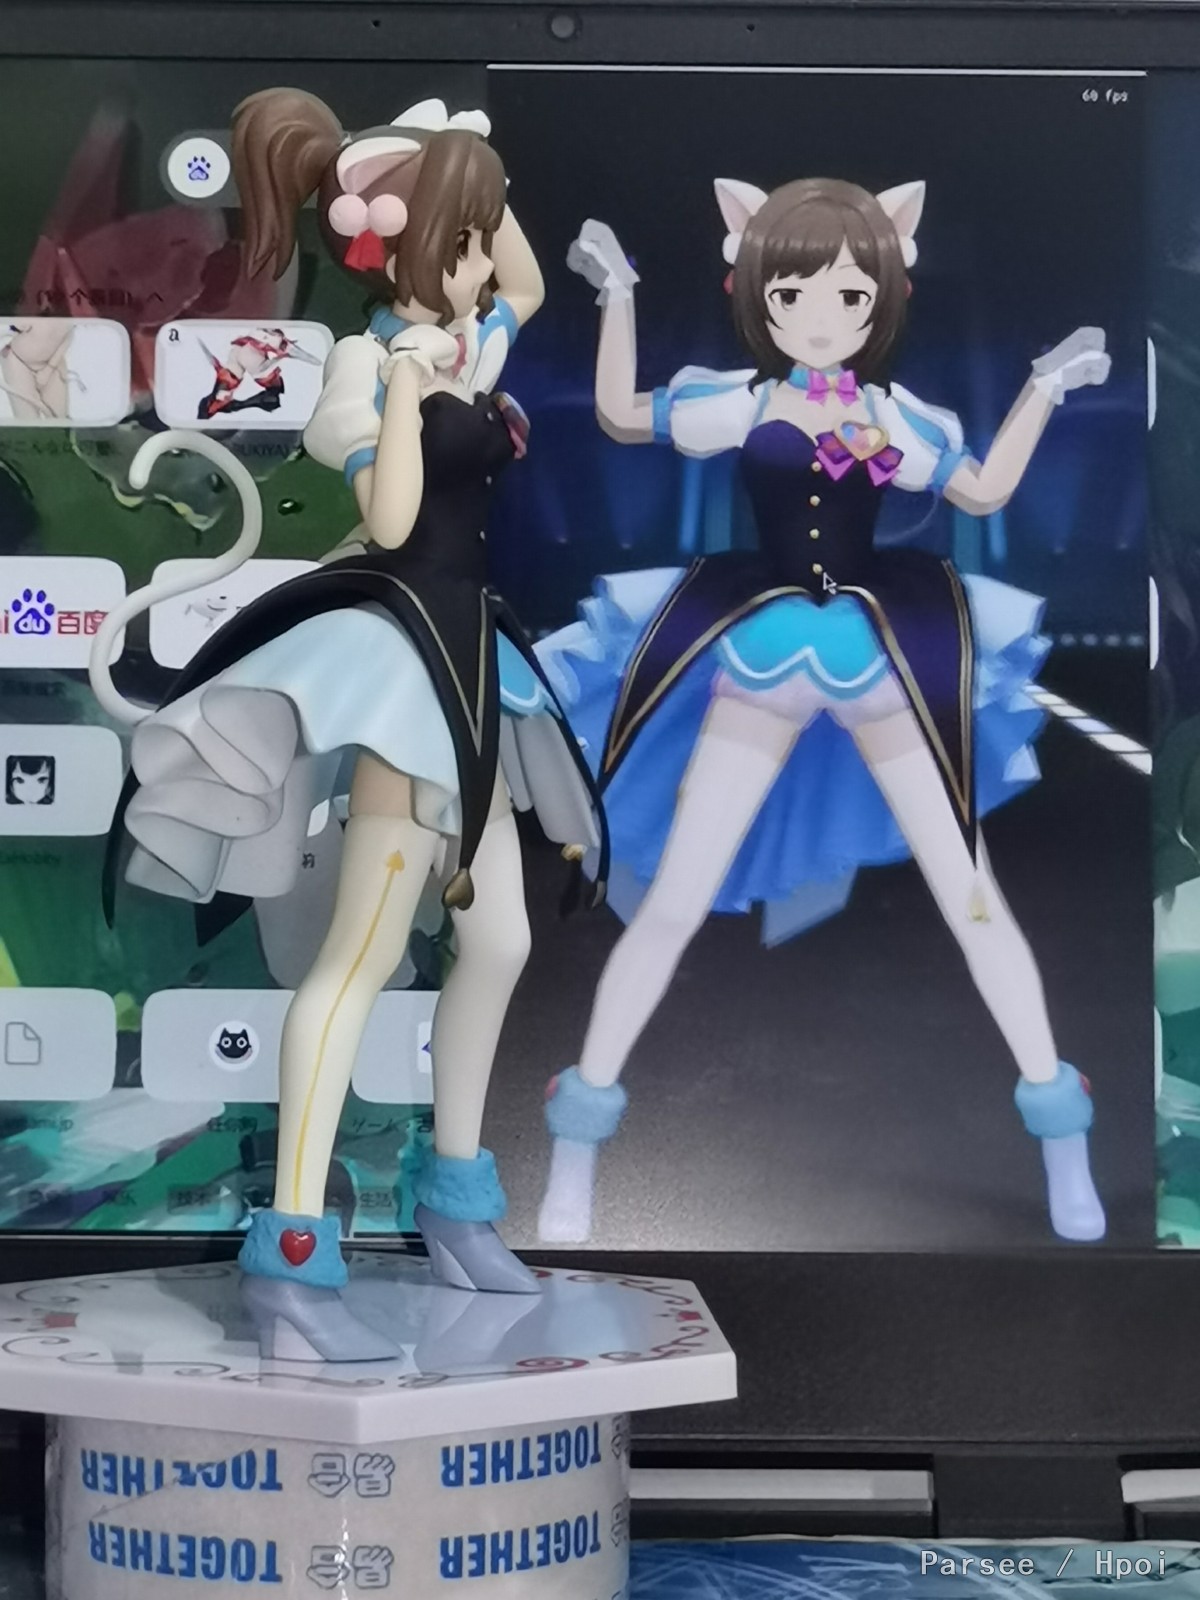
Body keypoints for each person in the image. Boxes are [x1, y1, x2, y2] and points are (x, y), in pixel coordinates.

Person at [91, 90, 605, 1353]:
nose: (481, 265)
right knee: (360, 960)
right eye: (457, 242)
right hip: (402, 663)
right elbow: (388, 521)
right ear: (398, 249)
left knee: (499, 939)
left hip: (472, 655)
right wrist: (407, 391)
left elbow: (528, 281)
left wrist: (456, 168)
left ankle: (456, 1201)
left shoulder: (473, 331)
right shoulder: (369, 366)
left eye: (475, 239)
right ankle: (293, 1251)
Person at [536, 176, 1111, 1248]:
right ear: (756, 288)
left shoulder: (895, 415)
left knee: (972, 895)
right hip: (760, 647)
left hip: (876, 648)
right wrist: (618, 292)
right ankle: (574, 1148)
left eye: (851, 294)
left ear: (884, 295)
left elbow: (982, 490)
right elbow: (620, 415)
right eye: (793, 292)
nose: (821, 314)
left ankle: (1062, 1136)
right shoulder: (743, 401)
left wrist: (1045, 385)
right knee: (672, 902)